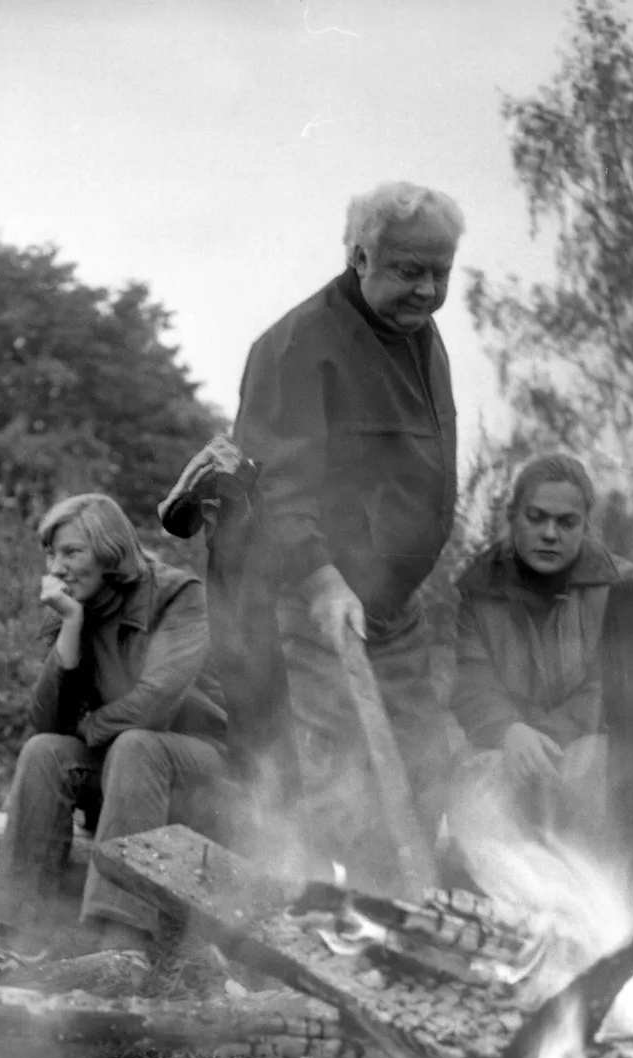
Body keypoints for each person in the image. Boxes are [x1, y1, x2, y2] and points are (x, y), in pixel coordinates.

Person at [231, 180, 465, 892]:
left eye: (440, 272)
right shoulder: (297, 346)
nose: (427, 289)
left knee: (424, 762)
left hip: (394, 609)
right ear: (361, 255)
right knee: (333, 774)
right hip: (310, 609)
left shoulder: (424, 339)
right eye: (409, 270)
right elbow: (275, 484)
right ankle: (324, 935)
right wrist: (321, 579)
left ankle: (402, 925)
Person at [0, 493, 230, 959]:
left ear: (110, 550)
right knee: (45, 753)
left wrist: (90, 728)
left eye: (72, 552)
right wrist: (70, 632)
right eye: (52, 553)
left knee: (136, 744)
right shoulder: (81, 604)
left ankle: (121, 942)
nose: (57, 568)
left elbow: (153, 706)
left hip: (199, 771)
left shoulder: (178, 594)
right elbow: (45, 724)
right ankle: (20, 943)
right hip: (124, 764)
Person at [448, 454, 633, 877]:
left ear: (585, 525)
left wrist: (545, 739)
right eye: (536, 518)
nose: (550, 534)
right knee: (474, 784)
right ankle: (503, 909)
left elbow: (609, 688)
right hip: (507, 740)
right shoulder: (480, 588)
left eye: (566, 522)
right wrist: (508, 730)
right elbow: (472, 682)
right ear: (514, 517)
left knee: (594, 769)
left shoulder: (620, 585)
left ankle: (594, 902)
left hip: (587, 742)